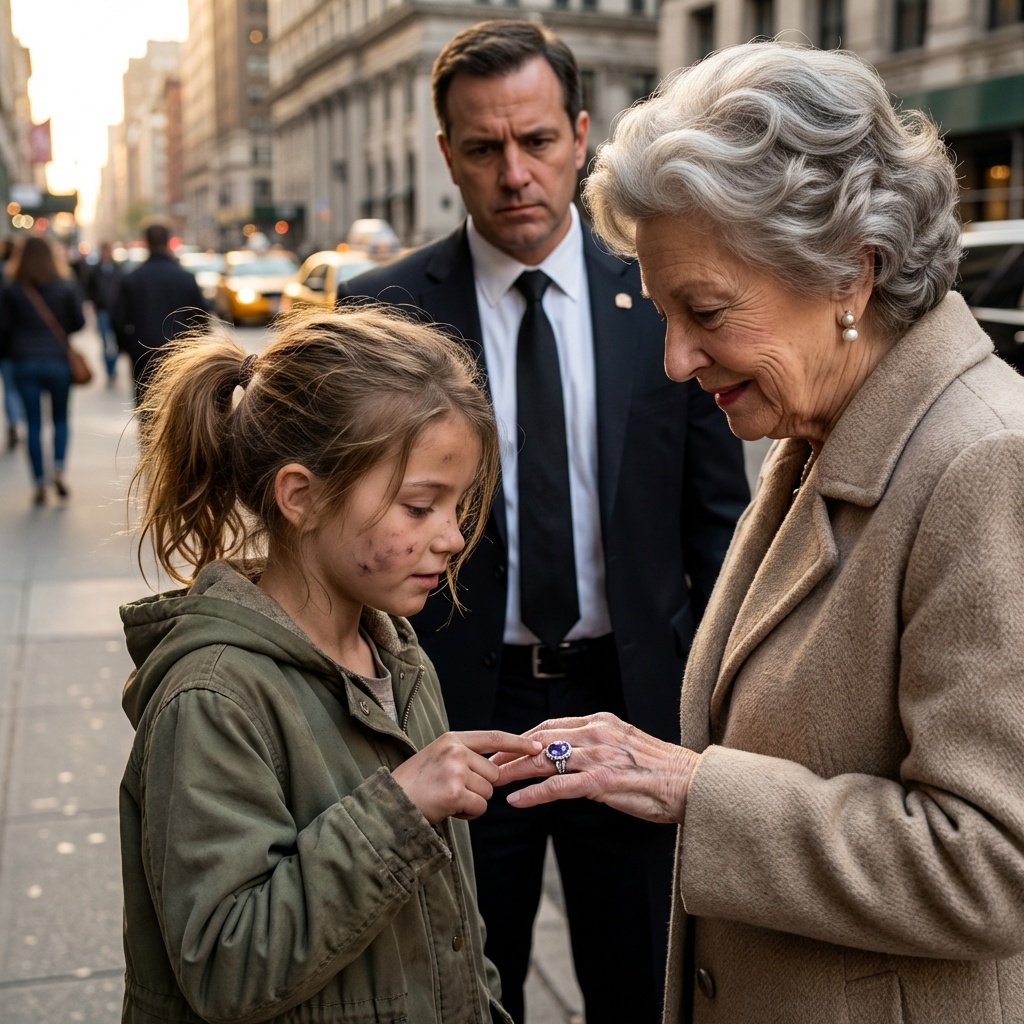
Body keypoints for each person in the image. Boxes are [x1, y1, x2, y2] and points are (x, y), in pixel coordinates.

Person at [495, 41, 1024, 1024]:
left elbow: (992, 863)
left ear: (851, 273)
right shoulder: (819, 431)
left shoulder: (985, 462)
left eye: (704, 310)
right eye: (664, 313)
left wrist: (693, 790)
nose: (674, 359)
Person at [338, 20, 749, 1024]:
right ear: (448, 155)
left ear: (580, 137)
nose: (514, 173)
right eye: (484, 148)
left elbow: (718, 522)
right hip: (457, 712)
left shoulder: (659, 287)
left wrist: (714, 706)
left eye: (536, 141)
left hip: (633, 701)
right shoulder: (380, 312)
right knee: (469, 985)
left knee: (641, 981)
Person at [118, 304, 539, 1024]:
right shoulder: (213, 699)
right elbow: (225, 966)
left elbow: (452, 927)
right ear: (302, 497)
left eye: (459, 505)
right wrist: (400, 809)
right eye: (420, 507)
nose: (451, 537)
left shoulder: (398, 655)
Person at [0, 235, 86, 505]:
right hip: (58, 361)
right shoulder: (65, 286)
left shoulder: (12, 289)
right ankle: (58, 468)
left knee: (33, 424)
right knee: (60, 419)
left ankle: (38, 480)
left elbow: (3, 327)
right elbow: (79, 322)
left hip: (24, 361)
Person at [112, 220, 205, 405]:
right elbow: (201, 318)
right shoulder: (185, 278)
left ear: (146, 242)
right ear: (168, 241)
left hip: (143, 354)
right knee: (178, 408)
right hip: (181, 354)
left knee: (147, 408)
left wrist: (128, 347)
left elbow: (118, 320)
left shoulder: (132, 279)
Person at [85, 241, 124, 383]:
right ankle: (109, 370)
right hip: (102, 310)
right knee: (105, 342)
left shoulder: (119, 269)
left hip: (117, 310)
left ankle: (113, 366)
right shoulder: (95, 271)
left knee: (116, 341)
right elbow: (89, 288)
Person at [0, 237, 26, 449]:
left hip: (7, 345)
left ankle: (14, 422)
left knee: (10, 387)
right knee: (18, 388)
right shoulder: (23, 278)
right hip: (21, 345)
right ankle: (18, 420)